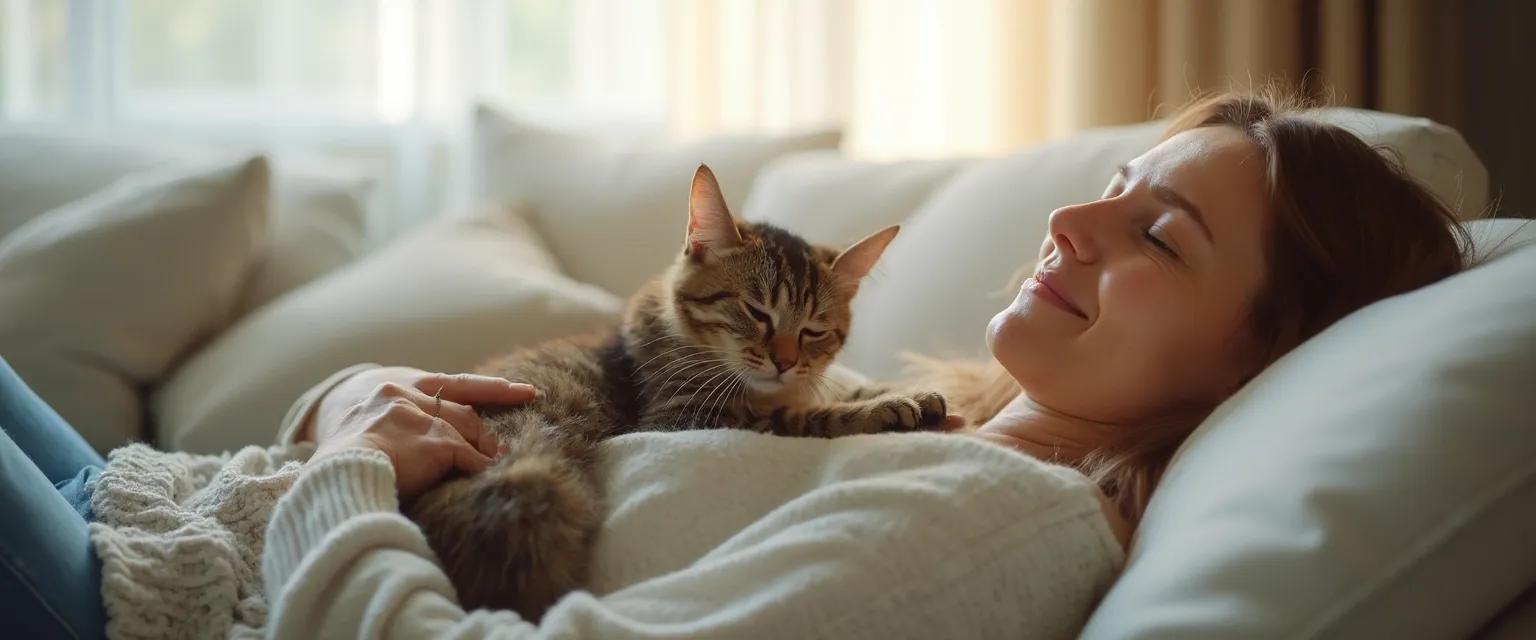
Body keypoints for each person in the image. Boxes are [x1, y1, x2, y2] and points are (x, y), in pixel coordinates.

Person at [0, 92, 1468, 639]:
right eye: (1115, 175)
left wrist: (341, 474)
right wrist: (337, 418)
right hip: (160, 510)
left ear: (1261, 359)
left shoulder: (988, 527)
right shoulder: (917, 436)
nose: (1072, 215)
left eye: (1154, 223)